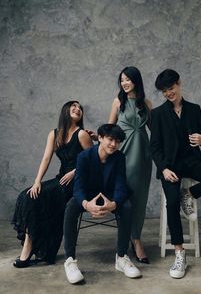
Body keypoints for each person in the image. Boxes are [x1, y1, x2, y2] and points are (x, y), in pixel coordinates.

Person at [150, 69, 201, 279]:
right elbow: (154, 147)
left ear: (179, 83)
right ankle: (179, 252)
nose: (168, 93)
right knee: (172, 202)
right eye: (164, 91)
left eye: (171, 88)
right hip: (170, 167)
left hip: (192, 162)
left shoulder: (194, 109)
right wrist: (164, 169)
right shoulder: (156, 114)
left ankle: (190, 193)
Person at [12, 100, 93, 268]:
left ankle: (28, 250)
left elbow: (94, 161)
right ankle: (31, 244)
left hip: (79, 182)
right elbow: (46, 158)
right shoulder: (54, 134)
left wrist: (75, 171)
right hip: (61, 179)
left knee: (40, 201)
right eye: (74, 107)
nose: (78, 109)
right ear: (65, 111)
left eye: (80, 108)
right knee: (27, 196)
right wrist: (37, 182)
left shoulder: (82, 135)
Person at [63, 124, 142, 284]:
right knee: (71, 206)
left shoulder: (119, 157)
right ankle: (70, 260)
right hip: (89, 195)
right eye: (110, 139)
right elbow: (78, 187)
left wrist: (113, 204)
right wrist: (86, 204)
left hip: (110, 194)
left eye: (117, 141)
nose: (114, 144)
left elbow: (120, 185)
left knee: (126, 206)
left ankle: (121, 257)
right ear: (99, 138)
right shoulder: (84, 157)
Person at [108, 66, 152, 264]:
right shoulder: (118, 102)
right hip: (123, 155)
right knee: (125, 197)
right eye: (122, 80)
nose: (124, 83)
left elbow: (157, 131)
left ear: (136, 81)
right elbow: (110, 129)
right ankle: (126, 238)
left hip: (143, 155)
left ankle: (136, 239)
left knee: (140, 200)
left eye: (128, 79)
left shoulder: (146, 103)